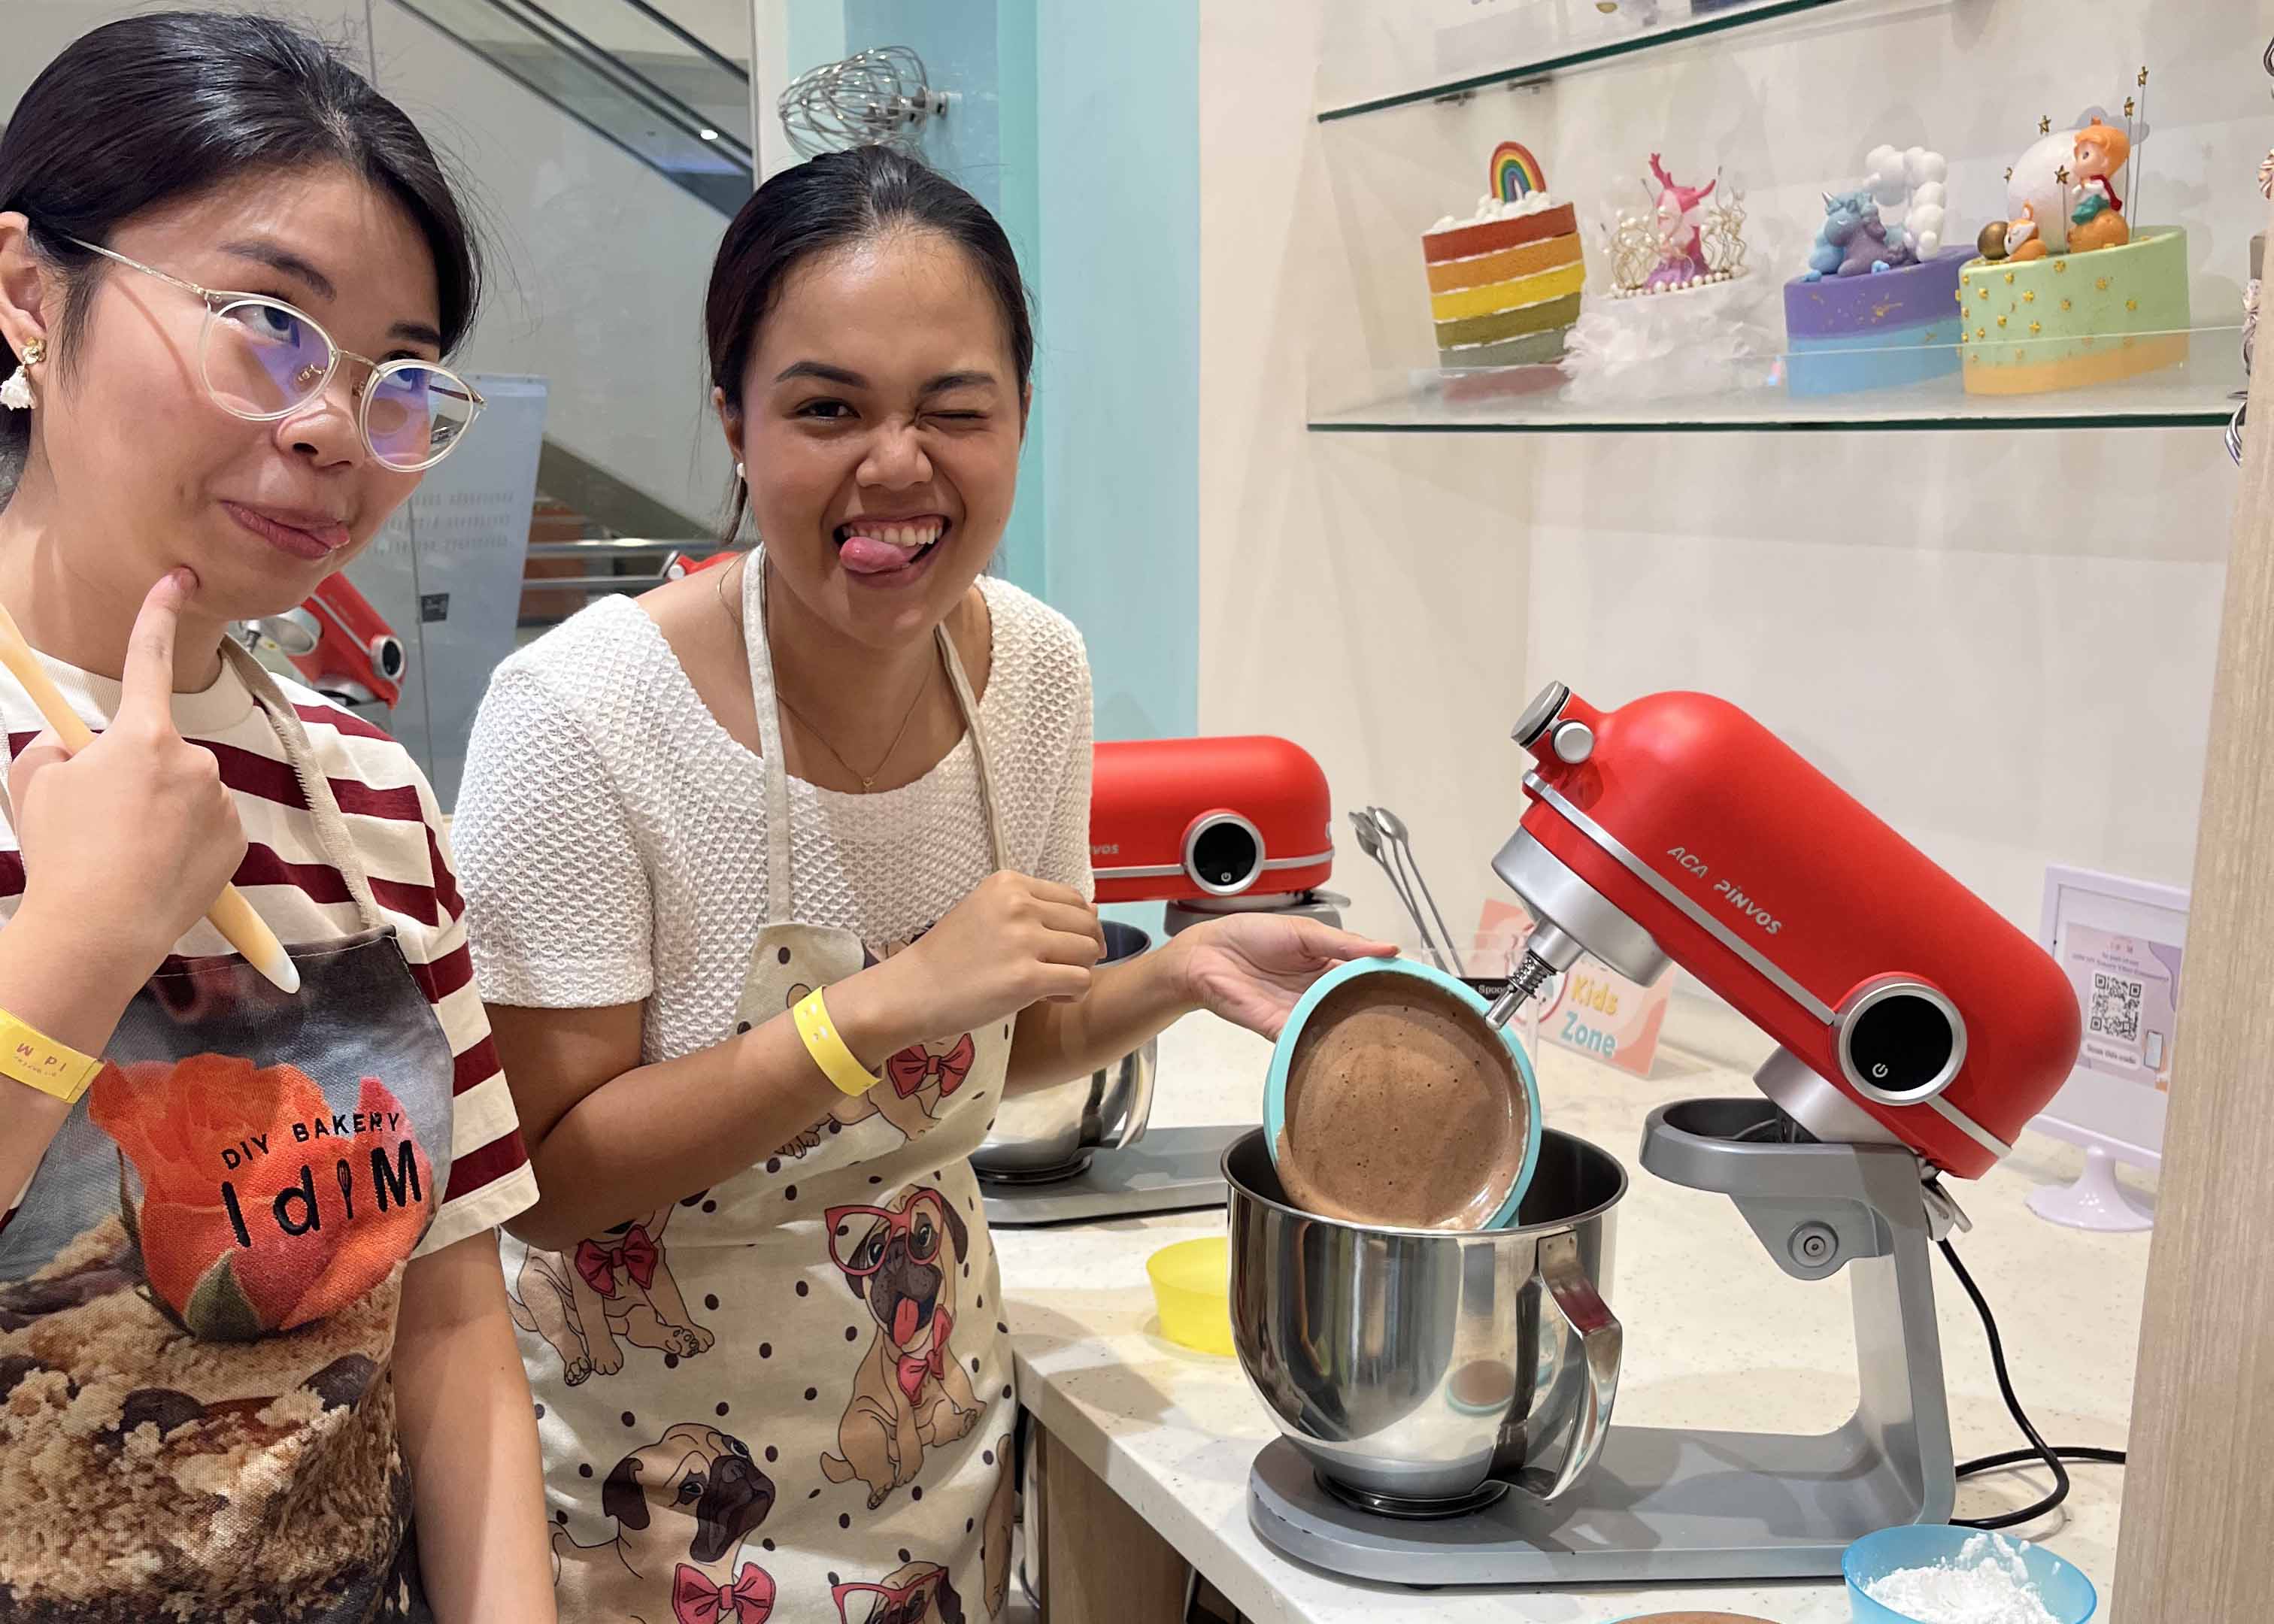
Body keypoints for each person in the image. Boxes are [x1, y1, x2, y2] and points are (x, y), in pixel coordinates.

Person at [453, 145, 1392, 1622]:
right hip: (652, 1506)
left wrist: (1176, 977)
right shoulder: (578, 715)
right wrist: (871, 1008)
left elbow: (1000, 1043)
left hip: (927, 1449)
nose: (897, 465)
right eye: (826, 408)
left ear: (1019, 421)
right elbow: (551, 1184)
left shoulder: (1032, 672)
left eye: (956, 410)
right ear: (735, 425)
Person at [0, 14, 550, 1622]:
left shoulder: (372, 793)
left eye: (398, 379)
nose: (333, 432)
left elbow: (449, 1334)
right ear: (30, 296)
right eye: (268, 325)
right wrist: (81, 942)